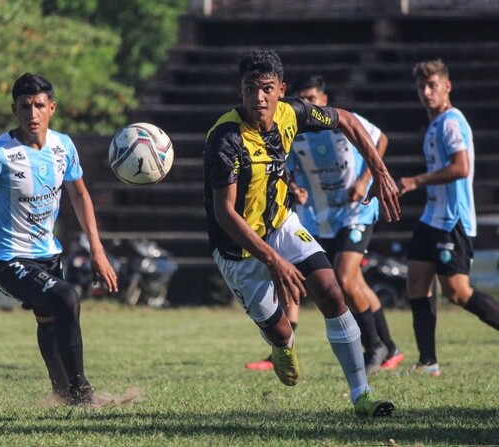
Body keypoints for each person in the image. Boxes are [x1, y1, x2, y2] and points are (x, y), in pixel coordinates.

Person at [204, 48, 400, 416]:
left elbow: (347, 120)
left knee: (330, 289)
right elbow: (225, 213)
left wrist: (381, 172)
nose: (258, 98)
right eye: (250, 88)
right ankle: (282, 347)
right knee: (280, 331)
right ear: (239, 89)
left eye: (266, 88)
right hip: (237, 246)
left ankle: (362, 395)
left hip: (281, 224)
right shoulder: (225, 139)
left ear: (281, 89)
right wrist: (273, 260)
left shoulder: (292, 112)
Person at [0, 73, 135, 407]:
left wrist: (97, 250)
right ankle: (83, 394)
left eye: (39, 106)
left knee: (50, 315)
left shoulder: (63, 146)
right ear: (14, 109)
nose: (32, 113)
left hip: (48, 254)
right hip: (6, 259)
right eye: (25, 106)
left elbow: (79, 193)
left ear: (52, 108)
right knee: (66, 298)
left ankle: (61, 393)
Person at [246, 75, 405, 375]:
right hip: (321, 218)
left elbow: (380, 138)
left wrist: (365, 179)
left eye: (313, 98)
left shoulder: (342, 123)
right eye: (302, 99)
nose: (308, 104)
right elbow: (284, 167)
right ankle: (390, 347)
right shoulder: (293, 131)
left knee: (344, 279)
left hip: (356, 212)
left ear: (324, 100)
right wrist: (294, 188)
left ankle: (374, 348)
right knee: (352, 283)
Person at [398, 59, 499, 376]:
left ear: (447, 87)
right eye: (421, 87)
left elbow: (461, 167)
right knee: (416, 280)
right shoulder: (434, 124)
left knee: (457, 293)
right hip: (432, 218)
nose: (426, 92)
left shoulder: (452, 122)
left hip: (453, 220)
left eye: (433, 85)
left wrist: (416, 181)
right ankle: (428, 362)